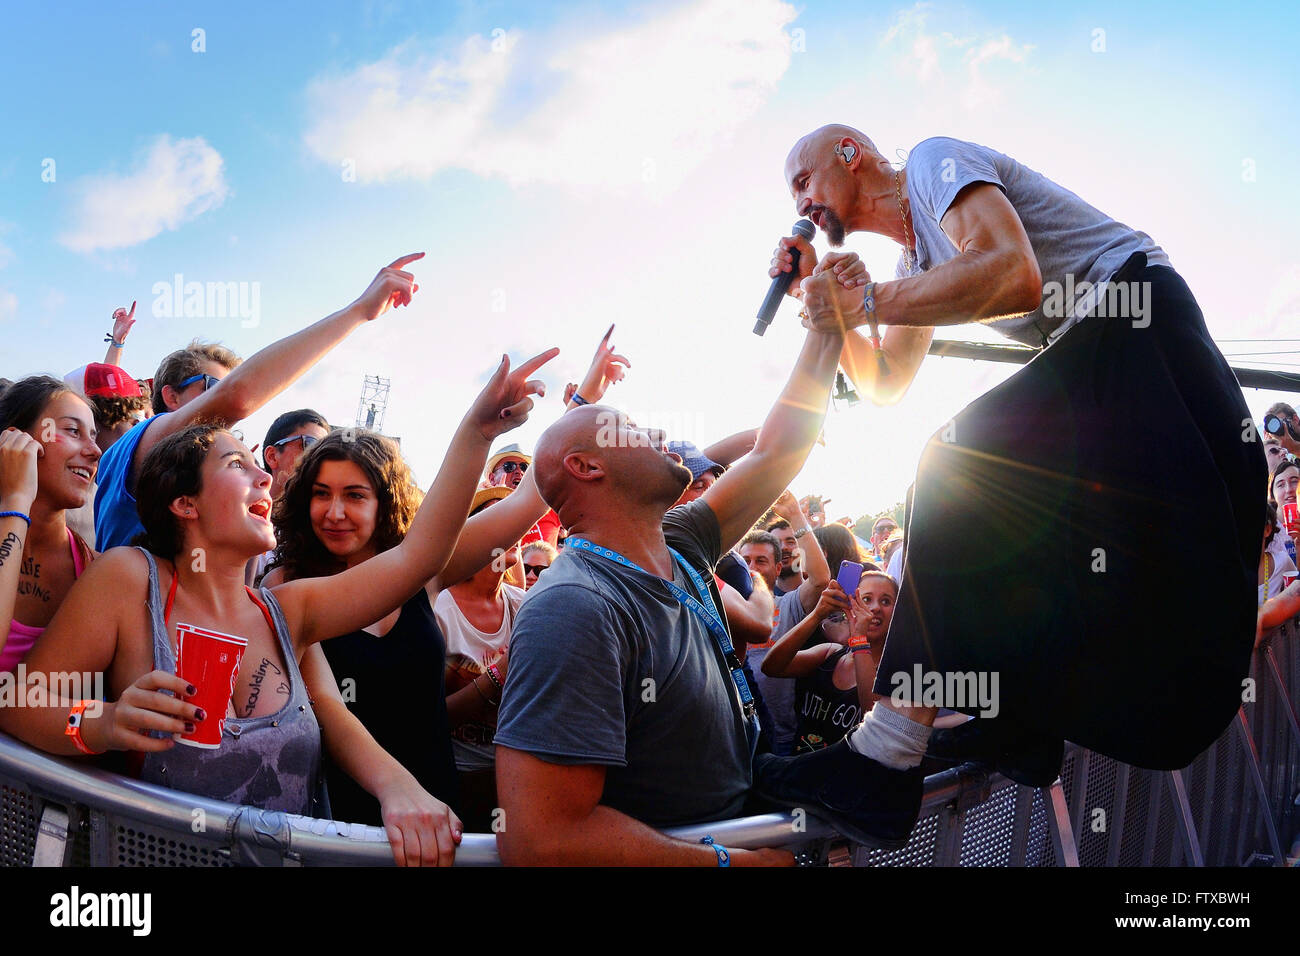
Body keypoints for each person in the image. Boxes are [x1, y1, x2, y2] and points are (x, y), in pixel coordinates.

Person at [755, 124, 1267, 847]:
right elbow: (889, 383)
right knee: (1006, 516)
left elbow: (1010, 272)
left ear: (850, 153)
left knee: (958, 471)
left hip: (1134, 315)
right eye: (792, 194)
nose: (801, 200)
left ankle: (887, 752)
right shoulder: (914, 254)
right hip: (1104, 353)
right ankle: (1016, 721)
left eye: (802, 179)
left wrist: (871, 302)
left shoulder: (934, 165)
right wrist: (837, 315)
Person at [0, 334, 554, 866]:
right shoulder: (128, 579)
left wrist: (478, 432)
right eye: (239, 465)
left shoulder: (284, 609)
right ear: (185, 503)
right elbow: (20, 705)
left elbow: (418, 559)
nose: (266, 478)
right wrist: (101, 721)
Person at [492, 253, 865, 865]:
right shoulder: (573, 607)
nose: (657, 434)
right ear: (588, 466)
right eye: (629, 427)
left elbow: (776, 453)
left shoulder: (682, 540)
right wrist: (730, 864)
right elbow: (540, 838)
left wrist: (824, 324)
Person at [94, 254, 427, 552]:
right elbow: (237, 396)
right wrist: (359, 311)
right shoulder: (139, 446)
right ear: (171, 396)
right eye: (211, 388)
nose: (222, 408)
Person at [0, 378, 101, 674]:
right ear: (15, 441)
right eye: (73, 431)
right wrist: (16, 501)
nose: (95, 450)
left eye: (94, 436)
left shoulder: (96, 570)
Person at [763, 572, 898, 753]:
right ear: (850, 605)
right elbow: (772, 667)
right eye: (866, 599)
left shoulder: (894, 671)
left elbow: (873, 717)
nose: (875, 608)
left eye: (886, 601)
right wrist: (818, 614)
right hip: (800, 770)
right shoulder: (830, 653)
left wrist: (859, 639)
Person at [740, 490, 830, 756]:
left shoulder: (788, 604)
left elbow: (820, 580)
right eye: (745, 561)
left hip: (780, 737)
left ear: (778, 568)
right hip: (733, 733)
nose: (752, 567)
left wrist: (794, 515)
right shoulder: (722, 607)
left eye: (761, 561)